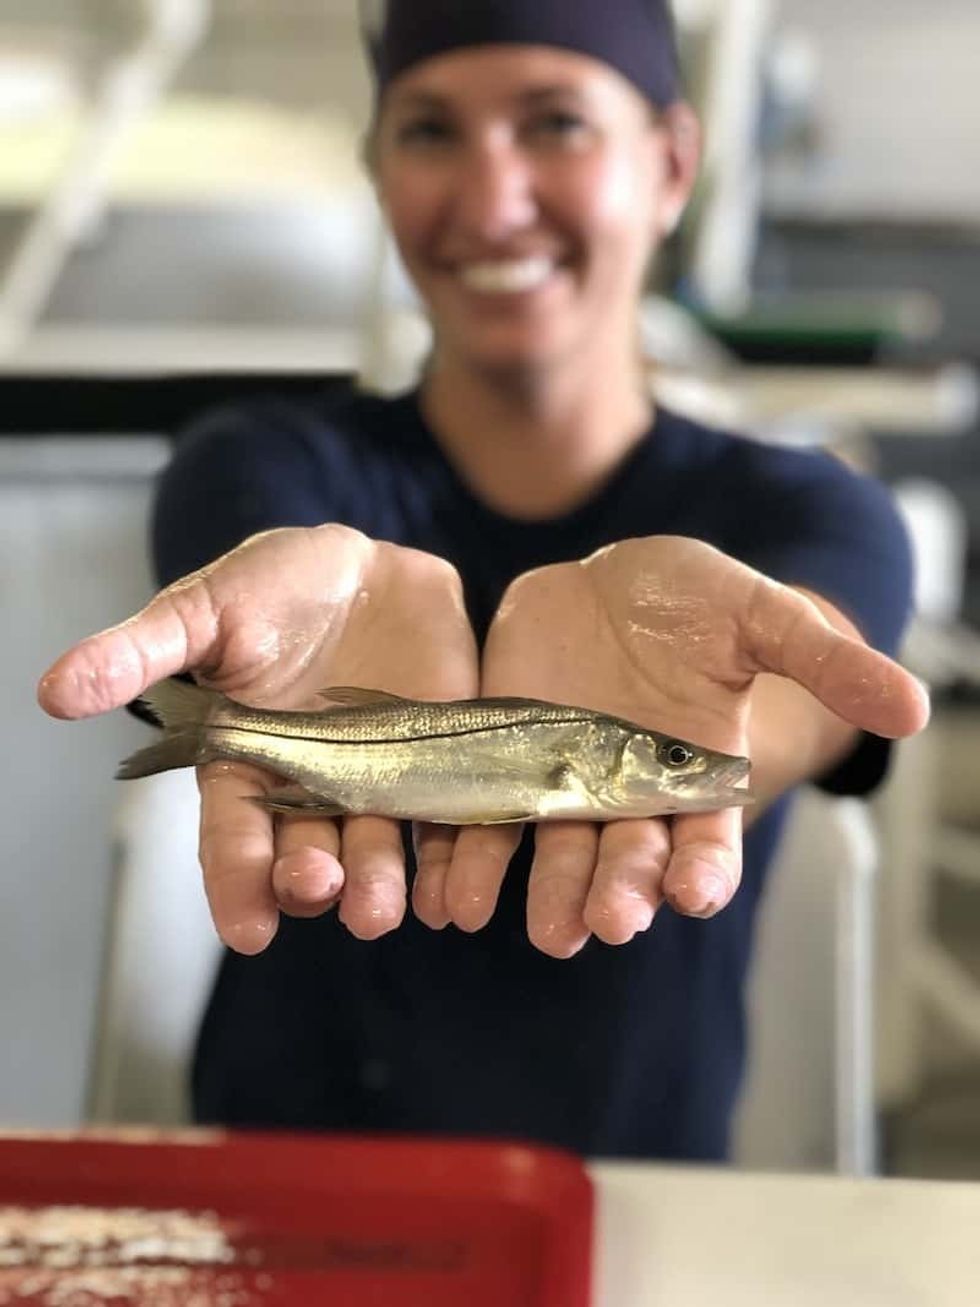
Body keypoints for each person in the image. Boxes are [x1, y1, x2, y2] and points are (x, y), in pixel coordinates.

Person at [39, 0, 928, 1161]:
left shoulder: (810, 511)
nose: (491, 197)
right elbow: (245, 568)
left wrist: (687, 743)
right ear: (376, 169)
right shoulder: (258, 462)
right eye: (428, 131)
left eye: (554, 123)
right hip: (289, 1165)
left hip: (634, 1183)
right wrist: (256, 723)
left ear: (668, 166)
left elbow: (790, 711)